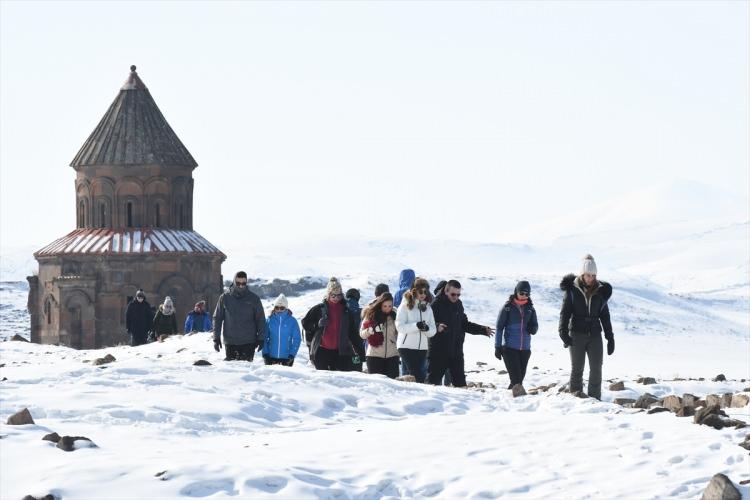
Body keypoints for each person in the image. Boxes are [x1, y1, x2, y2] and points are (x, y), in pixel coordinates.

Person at [559, 254, 614, 400]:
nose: (590, 278)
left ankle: (595, 400)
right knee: (577, 368)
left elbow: (605, 316)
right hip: (576, 333)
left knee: (596, 368)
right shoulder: (572, 291)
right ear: (582, 274)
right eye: (588, 275)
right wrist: (563, 332)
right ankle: (576, 398)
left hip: (595, 334)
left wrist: (610, 337)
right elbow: (565, 313)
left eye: (593, 275)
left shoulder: (601, 292)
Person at [428, 280, 494, 387]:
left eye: (458, 294)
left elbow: (464, 324)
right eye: (453, 294)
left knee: (461, 386)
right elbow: (427, 324)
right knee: (432, 384)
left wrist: (482, 330)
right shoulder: (436, 304)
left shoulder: (458, 304)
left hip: (456, 351)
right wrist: (436, 326)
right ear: (446, 291)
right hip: (439, 352)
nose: (456, 297)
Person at [302, 277, 366, 371]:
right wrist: (317, 325)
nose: (336, 298)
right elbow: (305, 323)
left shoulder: (346, 311)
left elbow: (352, 333)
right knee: (322, 380)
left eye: (339, 295)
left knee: (337, 381)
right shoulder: (319, 309)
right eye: (333, 296)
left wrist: (361, 353)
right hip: (321, 351)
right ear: (328, 295)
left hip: (340, 353)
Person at [213, 271, 267, 361]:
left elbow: (260, 319)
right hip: (230, 342)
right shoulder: (225, 298)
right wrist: (216, 338)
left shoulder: (254, 299)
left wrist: (261, 338)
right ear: (234, 282)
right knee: (232, 372)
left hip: (249, 342)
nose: (241, 286)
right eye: (238, 283)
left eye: (243, 283)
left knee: (245, 372)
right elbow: (217, 318)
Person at [495, 281, 538, 390]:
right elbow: (499, 327)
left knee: (518, 381)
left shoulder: (530, 309)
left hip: (525, 349)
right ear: (516, 292)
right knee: (517, 381)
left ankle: (510, 399)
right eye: (522, 293)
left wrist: (533, 328)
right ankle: (517, 400)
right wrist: (497, 346)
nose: (524, 296)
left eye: (527, 294)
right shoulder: (507, 308)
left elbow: (535, 326)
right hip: (509, 349)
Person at [395, 278, 436, 382]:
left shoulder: (428, 308)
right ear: (414, 291)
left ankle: (408, 392)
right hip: (405, 346)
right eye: (420, 291)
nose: (423, 294)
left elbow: (433, 330)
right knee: (417, 374)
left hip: (422, 348)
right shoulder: (405, 306)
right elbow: (399, 326)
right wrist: (416, 326)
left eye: (425, 292)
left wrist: (426, 329)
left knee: (418, 375)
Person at [360, 292, 400, 378]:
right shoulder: (371, 314)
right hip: (374, 355)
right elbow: (362, 334)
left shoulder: (395, 315)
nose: (387, 309)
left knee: (394, 386)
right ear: (380, 304)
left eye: (390, 306)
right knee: (377, 386)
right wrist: (370, 330)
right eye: (385, 306)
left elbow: (400, 332)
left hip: (392, 355)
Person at [262, 294, 302, 366]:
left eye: (282, 308)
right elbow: (264, 338)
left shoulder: (292, 321)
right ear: (274, 308)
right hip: (270, 358)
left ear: (286, 308)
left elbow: (297, 339)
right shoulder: (269, 320)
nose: (279, 310)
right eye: (277, 307)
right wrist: (265, 354)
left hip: (287, 358)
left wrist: (292, 355)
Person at [345, 288, 365, 371]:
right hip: (356, 349)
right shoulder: (362, 312)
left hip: (341, 348)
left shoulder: (340, 310)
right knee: (356, 371)